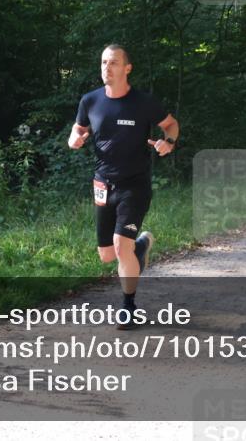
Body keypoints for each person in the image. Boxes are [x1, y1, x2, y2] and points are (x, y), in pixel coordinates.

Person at [68, 44, 179, 329]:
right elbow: (80, 128)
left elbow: (170, 124)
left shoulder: (143, 102)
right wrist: (75, 138)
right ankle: (139, 248)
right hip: (103, 183)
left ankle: (128, 307)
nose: (107, 67)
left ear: (127, 68)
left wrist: (169, 143)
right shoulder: (90, 101)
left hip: (135, 183)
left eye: (114, 62)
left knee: (120, 246)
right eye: (104, 62)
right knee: (107, 254)